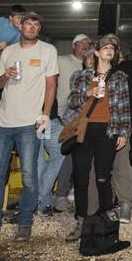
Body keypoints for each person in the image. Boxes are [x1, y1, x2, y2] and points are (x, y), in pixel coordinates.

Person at [0, 12, 57, 241]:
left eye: (36, 23)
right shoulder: (8, 51)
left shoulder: (47, 50)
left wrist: (45, 114)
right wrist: (5, 76)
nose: (32, 26)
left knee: (28, 175)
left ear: (39, 28)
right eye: (28, 23)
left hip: (29, 123)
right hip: (2, 123)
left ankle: (25, 222)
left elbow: (51, 84)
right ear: (20, 27)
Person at [65, 36, 131, 241]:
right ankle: (81, 220)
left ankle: (106, 221)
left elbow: (124, 107)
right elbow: (71, 101)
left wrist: (124, 132)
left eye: (112, 48)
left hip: (108, 131)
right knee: (81, 176)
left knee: (103, 176)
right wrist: (89, 92)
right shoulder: (81, 75)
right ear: (96, 52)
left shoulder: (119, 77)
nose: (109, 50)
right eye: (105, 47)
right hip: (84, 130)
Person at [40, 34, 91, 214]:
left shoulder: (95, 68)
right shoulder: (60, 60)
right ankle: (56, 195)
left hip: (75, 119)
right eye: (81, 43)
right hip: (58, 116)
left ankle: (57, 195)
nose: (85, 46)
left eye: (88, 44)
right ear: (73, 45)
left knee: (70, 155)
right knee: (61, 155)